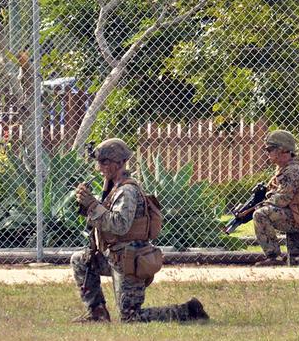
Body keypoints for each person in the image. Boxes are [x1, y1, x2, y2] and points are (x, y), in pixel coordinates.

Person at [71, 138, 208, 323]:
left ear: (119, 163)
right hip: (114, 256)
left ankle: (188, 311)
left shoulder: (127, 191)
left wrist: (93, 206)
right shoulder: (113, 188)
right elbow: (100, 224)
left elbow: (120, 225)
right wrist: (86, 206)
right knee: (80, 260)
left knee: (131, 317)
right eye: (98, 162)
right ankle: (97, 313)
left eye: (104, 162)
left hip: (130, 260)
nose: (99, 168)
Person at [253, 130, 299, 265]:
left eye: (270, 149)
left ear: (282, 151)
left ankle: (274, 257)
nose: (267, 153)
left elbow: (283, 199)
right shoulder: (289, 168)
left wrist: (261, 204)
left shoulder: (292, 171)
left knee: (260, 214)